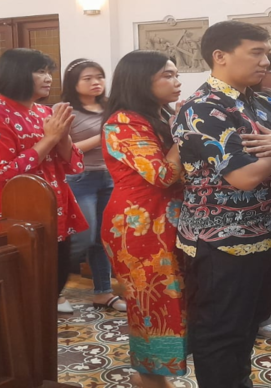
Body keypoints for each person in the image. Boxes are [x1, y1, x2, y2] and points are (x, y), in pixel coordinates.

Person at [173, 21, 271, 388]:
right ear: (221, 56)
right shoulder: (202, 108)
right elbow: (244, 176)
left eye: (267, 53)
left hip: (268, 231)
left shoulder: (263, 102)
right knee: (221, 330)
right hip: (222, 241)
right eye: (256, 52)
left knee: (248, 325)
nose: (266, 61)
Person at [0, 48, 88, 313]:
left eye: (48, 71)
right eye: (39, 71)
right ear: (16, 74)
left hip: (50, 207)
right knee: (16, 296)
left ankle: (42, 337)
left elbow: (74, 165)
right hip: (8, 213)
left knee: (53, 283)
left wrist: (62, 136)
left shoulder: (44, 112)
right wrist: (50, 138)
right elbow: (2, 175)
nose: (48, 78)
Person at [101, 50, 187, 386]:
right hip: (138, 223)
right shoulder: (124, 121)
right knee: (151, 302)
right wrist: (185, 134)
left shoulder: (159, 115)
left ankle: (153, 372)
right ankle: (150, 376)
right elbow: (162, 175)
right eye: (167, 75)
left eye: (176, 74)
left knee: (172, 298)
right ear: (140, 80)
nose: (176, 81)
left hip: (166, 218)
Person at [61, 58, 125, 312]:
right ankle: (53, 288)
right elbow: (66, 150)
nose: (96, 82)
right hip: (80, 178)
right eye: (87, 78)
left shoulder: (111, 107)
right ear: (73, 83)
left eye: (99, 77)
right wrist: (102, 138)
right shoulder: (66, 111)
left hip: (109, 177)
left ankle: (103, 293)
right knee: (82, 238)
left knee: (103, 238)